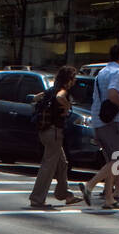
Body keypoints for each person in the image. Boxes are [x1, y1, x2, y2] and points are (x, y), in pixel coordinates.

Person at [78, 42, 119, 210]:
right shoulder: (118, 72)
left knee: (111, 161)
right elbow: (113, 95)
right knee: (118, 159)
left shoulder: (102, 72)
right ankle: (90, 185)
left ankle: (109, 198)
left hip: (99, 120)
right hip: (112, 121)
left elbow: (97, 98)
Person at [28, 66, 82, 210]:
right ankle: (37, 198)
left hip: (44, 131)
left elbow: (34, 98)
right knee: (48, 166)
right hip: (54, 132)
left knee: (62, 163)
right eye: (74, 78)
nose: (75, 81)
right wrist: (67, 105)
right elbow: (60, 97)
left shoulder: (50, 90)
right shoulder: (62, 91)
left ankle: (65, 194)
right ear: (68, 80)